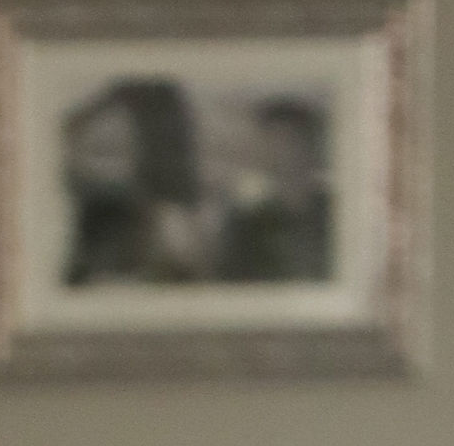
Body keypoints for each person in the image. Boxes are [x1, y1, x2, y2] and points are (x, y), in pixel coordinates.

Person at [59, 79, 207, 289]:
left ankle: (183, 269)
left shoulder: (161, 97)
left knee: (173, 222)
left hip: (165, 172)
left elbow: (117, 95)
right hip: (158, 173)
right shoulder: (153, 96)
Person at [214, 98, 335, 285]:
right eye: (271, 142)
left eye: (289, 140)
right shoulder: (246, 224)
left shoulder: (337, 214)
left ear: (310, 146)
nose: (280, 152)